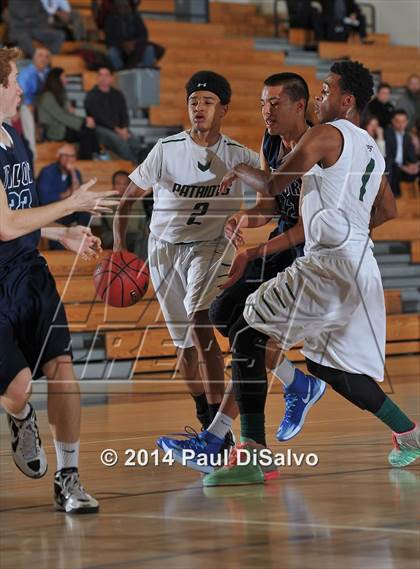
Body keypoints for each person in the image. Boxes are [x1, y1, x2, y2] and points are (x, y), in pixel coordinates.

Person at [202, 60, 419, 485]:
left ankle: (252, 456)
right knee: (330, 368)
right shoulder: (372, 147)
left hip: (329, 265)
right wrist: (351, 232)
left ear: (347, 100)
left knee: (247, 332)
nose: (320, 97)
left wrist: (237, 170)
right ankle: (409, 434)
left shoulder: (324, 134)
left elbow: (270, 186)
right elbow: (388, 209)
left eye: (325, 90)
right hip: (361, 265)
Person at [157, 73, 327, 476]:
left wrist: (253, 249)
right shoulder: (271, 143)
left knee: (246, 338)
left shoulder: (319, 148)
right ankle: (295, 382)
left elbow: (306, 227)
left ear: (299, 106)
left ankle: (221, 438)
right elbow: (270, 204)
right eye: (262, 103)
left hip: (309, 256)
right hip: (279, 246)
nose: (266, 111)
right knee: (222, 312)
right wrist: (245, 217)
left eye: (274, 104)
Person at [0, 47, 117, 512]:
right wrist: (69, 206)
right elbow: (4, 225)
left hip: (27, 272)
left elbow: (18, 220)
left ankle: (69, 476)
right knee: (19, 387)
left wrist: (59, 232)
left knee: (63, 367)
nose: (20, 89)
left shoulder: (13, 137)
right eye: (12, 83)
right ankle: (20, 415)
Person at [113, 70, 260, 441]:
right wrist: (118, 248)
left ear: (223, 108)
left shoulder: (241, 155)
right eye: (194, 102)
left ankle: (217, 433)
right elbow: (128, 199)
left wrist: (247, 218)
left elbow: (275, 190)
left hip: (210, 248)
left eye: (208, 102)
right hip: (163, 249)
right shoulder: (166, 150)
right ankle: (204, 410)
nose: (199, 108)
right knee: (186, 350)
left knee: (201, 325)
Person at [37, 67, 100, 159]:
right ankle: (91, 158)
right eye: (64, 76)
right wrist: (83, 122)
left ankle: (94, 155)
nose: (66, 79)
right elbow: (60, 116)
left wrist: (85, 121)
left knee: (89, 129)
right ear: (56, 79)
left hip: (63, 126)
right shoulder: (47, 96)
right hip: (54, 130)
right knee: (85, 131)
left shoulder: (61, 94)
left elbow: (70, 112)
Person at [37, 144, 91, 249]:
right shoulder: (47, 172)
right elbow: (44, 199)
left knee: (84, 213)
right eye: (65, 155)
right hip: (50, 212)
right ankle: (59, 253)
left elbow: (78, 196)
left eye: (72, 156)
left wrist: (72, 173)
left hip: (66, 211)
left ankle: (82, 240)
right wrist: (65, 194)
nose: (68, 159)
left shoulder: (76, 173)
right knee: (57, 227)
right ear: (58, 156)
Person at [84, 67, 143, 163]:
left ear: (111, 78)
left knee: (135, 141)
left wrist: (124, 128)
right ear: (97, 78)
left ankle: (141, 164)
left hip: (119, 128)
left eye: (106, 75)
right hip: (100, 128)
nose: (103, 78)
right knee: (119, 142)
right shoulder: (91, 96)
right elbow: (98, 117)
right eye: (100, 75)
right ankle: (135, 164)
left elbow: (124, 114)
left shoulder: (118, 94)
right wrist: (117, 130)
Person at [101, 169, 149, 259]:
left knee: (147, 240)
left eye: (125, 184)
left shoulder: (136, 201)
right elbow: (115, 225)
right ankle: (137, 268)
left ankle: (141, 268)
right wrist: (139, 234)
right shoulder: (109, 202)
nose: (122, 187)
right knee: (139, 238)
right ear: (113, 185)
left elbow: (143, 222)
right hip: (112, 236)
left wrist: (144, 234)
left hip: (135, 237)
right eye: (118, 183)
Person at [104, 0, 165, 70]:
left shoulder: (135, 17)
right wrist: (122, 45)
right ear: (116, 7)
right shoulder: (110, 18)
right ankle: (121, 75)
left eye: (125, 6)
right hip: (118, 48)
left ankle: (146, 73)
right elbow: (109, 39)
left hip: (135, 47)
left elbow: (144, 35)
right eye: (120, 6)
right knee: (111, 53)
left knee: (149, 49)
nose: (123, 8)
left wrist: (134, 43)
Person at [17, 46, 51, 158]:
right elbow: (21, 94)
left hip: (45, 108)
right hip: (27, 106)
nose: (44, 59)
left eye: (46, 56)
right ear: (34, 58)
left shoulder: (49, 73)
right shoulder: (26, 73)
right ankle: (32, 153)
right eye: (40, 55)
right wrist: (29, 105)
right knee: (26, 110)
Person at [385, 109, 419, 197]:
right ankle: (394, 198)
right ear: (392, 121)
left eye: (403, 121)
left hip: (404, 167)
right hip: (392, 166)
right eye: (398, 121)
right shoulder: (387, 134)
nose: (401, 124)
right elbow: (388, 156)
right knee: (391, 167)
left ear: (407, 122)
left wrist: (415, 165)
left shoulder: (407, 137)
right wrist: (403, 167)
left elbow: (411, 156)